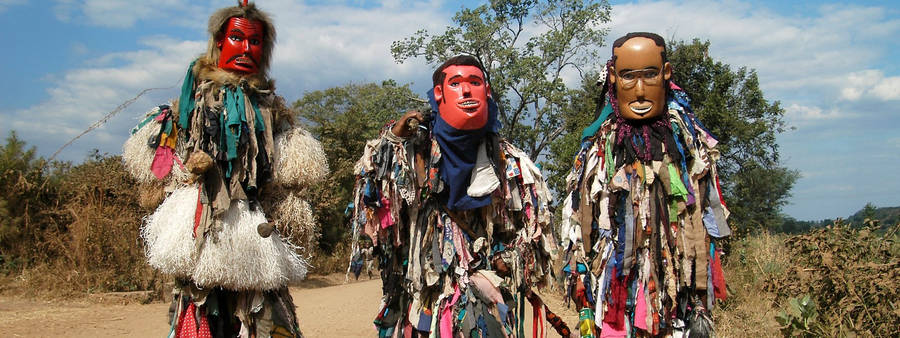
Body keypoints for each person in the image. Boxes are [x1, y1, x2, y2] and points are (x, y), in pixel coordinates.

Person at [122, 2, 327, 337]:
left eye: (255, 42)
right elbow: (156, 175)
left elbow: (286, 179)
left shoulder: (273, 112)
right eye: (237, 37)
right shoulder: (186, 108)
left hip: (255, 239)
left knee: (265, 317)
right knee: (202, 314)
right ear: (218, 42)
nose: (246, 48)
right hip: (202, 237)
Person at [350, 55, 573, 337]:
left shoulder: (509, 161)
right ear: (439, 94)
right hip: (428, 293)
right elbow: (373, 202)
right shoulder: (412, 151)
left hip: (488, 290)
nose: (467, 90)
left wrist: (511, 258)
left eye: (475, 82)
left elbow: (532, 230)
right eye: (456, 83)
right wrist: (392, 141)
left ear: (487, 92)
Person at [560, 32, 731, 337]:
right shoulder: (599, 149)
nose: (639, 92)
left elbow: (706, 220)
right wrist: (580, 272)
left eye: (650, 75)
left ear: (667, 74)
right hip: (616, 289)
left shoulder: (688, 145)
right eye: (628, 77)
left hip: (675, 290)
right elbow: (581, 220)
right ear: (612, 77)